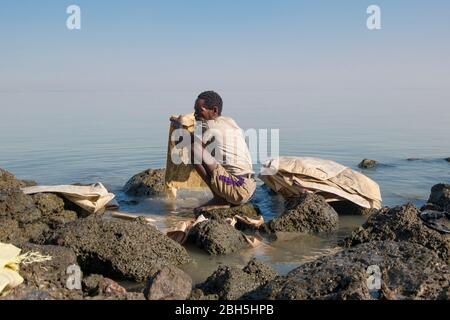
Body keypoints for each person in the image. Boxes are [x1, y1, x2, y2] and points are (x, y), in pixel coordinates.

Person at [172, 91, 256, 213]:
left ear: (214, 110)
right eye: (194, 110)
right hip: (250, 186)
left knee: (193, 149)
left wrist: (179, 126)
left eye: (199, 110)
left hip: (237, 189)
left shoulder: (207, 126)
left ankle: (219, 199)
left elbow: (181, 143)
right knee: (202, 149)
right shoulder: (229, 121)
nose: (195, 114)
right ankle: (222, 196)